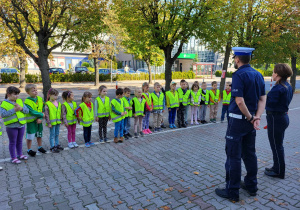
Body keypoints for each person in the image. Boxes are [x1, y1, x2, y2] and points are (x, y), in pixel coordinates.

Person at [215, 47, 266, 202]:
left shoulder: (238, 74)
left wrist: (251, 117)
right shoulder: (258, 74)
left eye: (234, 58)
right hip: (250, 123)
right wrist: (256, 117)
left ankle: (232, 191)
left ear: (237, 59)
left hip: (238, 122)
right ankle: (251, 186)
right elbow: (263, 98)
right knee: (250, 154)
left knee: (233, 156)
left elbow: (239, 100)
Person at [264, 63, 293, 179]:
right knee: (277, 145)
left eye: (274, 71)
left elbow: (269, 104)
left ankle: (279, 171)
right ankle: (276, 167)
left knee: (276, 146)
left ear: (278, 74)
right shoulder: (287, 85)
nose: (272, 73)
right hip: (281, 118)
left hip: (276, 119)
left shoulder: (278, 88)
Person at [1, 86, 29, 163]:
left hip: (21, 125)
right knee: (13, 142)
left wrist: (22, 109)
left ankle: (20, 154)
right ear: (9, 94)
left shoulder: (19, 101)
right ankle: (13, 157)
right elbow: (3, 114)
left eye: (18, 94)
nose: (17, 96)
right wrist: (14, 110)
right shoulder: (4, 103)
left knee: (20, 141)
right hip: (11, 126)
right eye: (15, 94)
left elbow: (27, 111)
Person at [24, 84, 47, 156]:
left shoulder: (40, 99)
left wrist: (40, 118)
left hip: (39, 121)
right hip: (31, 122)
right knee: (30, 136)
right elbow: (31, 111)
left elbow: (43, 108)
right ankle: (29, 149)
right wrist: (41, 115)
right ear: (28, 93)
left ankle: (40, 147)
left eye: (36, 90)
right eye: (33, 91)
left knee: (39, 135)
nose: (35, 92)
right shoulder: (27, 102)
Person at [45, 88, 63, 153]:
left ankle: (57, 144)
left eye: (57, 95)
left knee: (57, 134)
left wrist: (61, 120)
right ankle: (52, 147)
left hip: (57, 122)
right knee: (52, 134)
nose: (56, 97)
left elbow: (60, 112)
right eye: (54, 95)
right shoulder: (47, 104)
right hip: (52, 123)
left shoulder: (58, 103)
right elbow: (46, 115)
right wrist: (49, 123)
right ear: (49, 95)